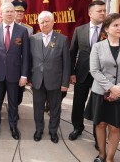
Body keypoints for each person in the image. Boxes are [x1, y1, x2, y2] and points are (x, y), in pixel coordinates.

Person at [85, 13, 120, 162]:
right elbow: (94, 70)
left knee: (115, 127)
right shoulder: (98, 46)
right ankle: (101, 154)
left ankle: (110, 158)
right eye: (115, 25)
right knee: (101, 124)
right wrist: (110, 87)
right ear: (107, 29)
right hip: (100, 92)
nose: (119, 28)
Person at [0, 2, 29, 140]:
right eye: (7, 11)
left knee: (13, 102)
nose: (10, 14)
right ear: (1, 14)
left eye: (12, 11)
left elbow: (25, 55)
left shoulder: (22, 31)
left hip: (14, 74)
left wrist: (24, 75)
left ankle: (13, 125)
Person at [69, 0, 106, 147]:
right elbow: (73, 52)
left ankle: (99, 136)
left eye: (104, 10)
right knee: (78, 103)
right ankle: (77, 127)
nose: (103, 13)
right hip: (82, 73)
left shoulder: (109, 30)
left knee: (99, 106)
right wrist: (71, 72)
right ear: (90, 13)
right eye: (99, 11)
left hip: (102, 76)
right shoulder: (80, 30)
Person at [29, 11, 70, 143]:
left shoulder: (62, 39)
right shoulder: (33, 39)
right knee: (38, 108)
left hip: (55, 81)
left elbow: (66, 63)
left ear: (53, 22)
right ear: (38, 23)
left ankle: (53, 131)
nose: (45, 24)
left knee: (54, 108)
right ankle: (38, 129)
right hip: (37, 81)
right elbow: (29, 60)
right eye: (42, 21)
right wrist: (30, 78)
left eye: (47, 21)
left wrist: (65, 83)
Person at [12, 0, 34, 118]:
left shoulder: (28, 29)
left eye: (22, 12)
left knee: (19, 89)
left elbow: (28, 49)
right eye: (17, 11)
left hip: (21, 64)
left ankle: (15, 107)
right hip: (8, 62)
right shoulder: (4, 26)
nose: (19, 14)